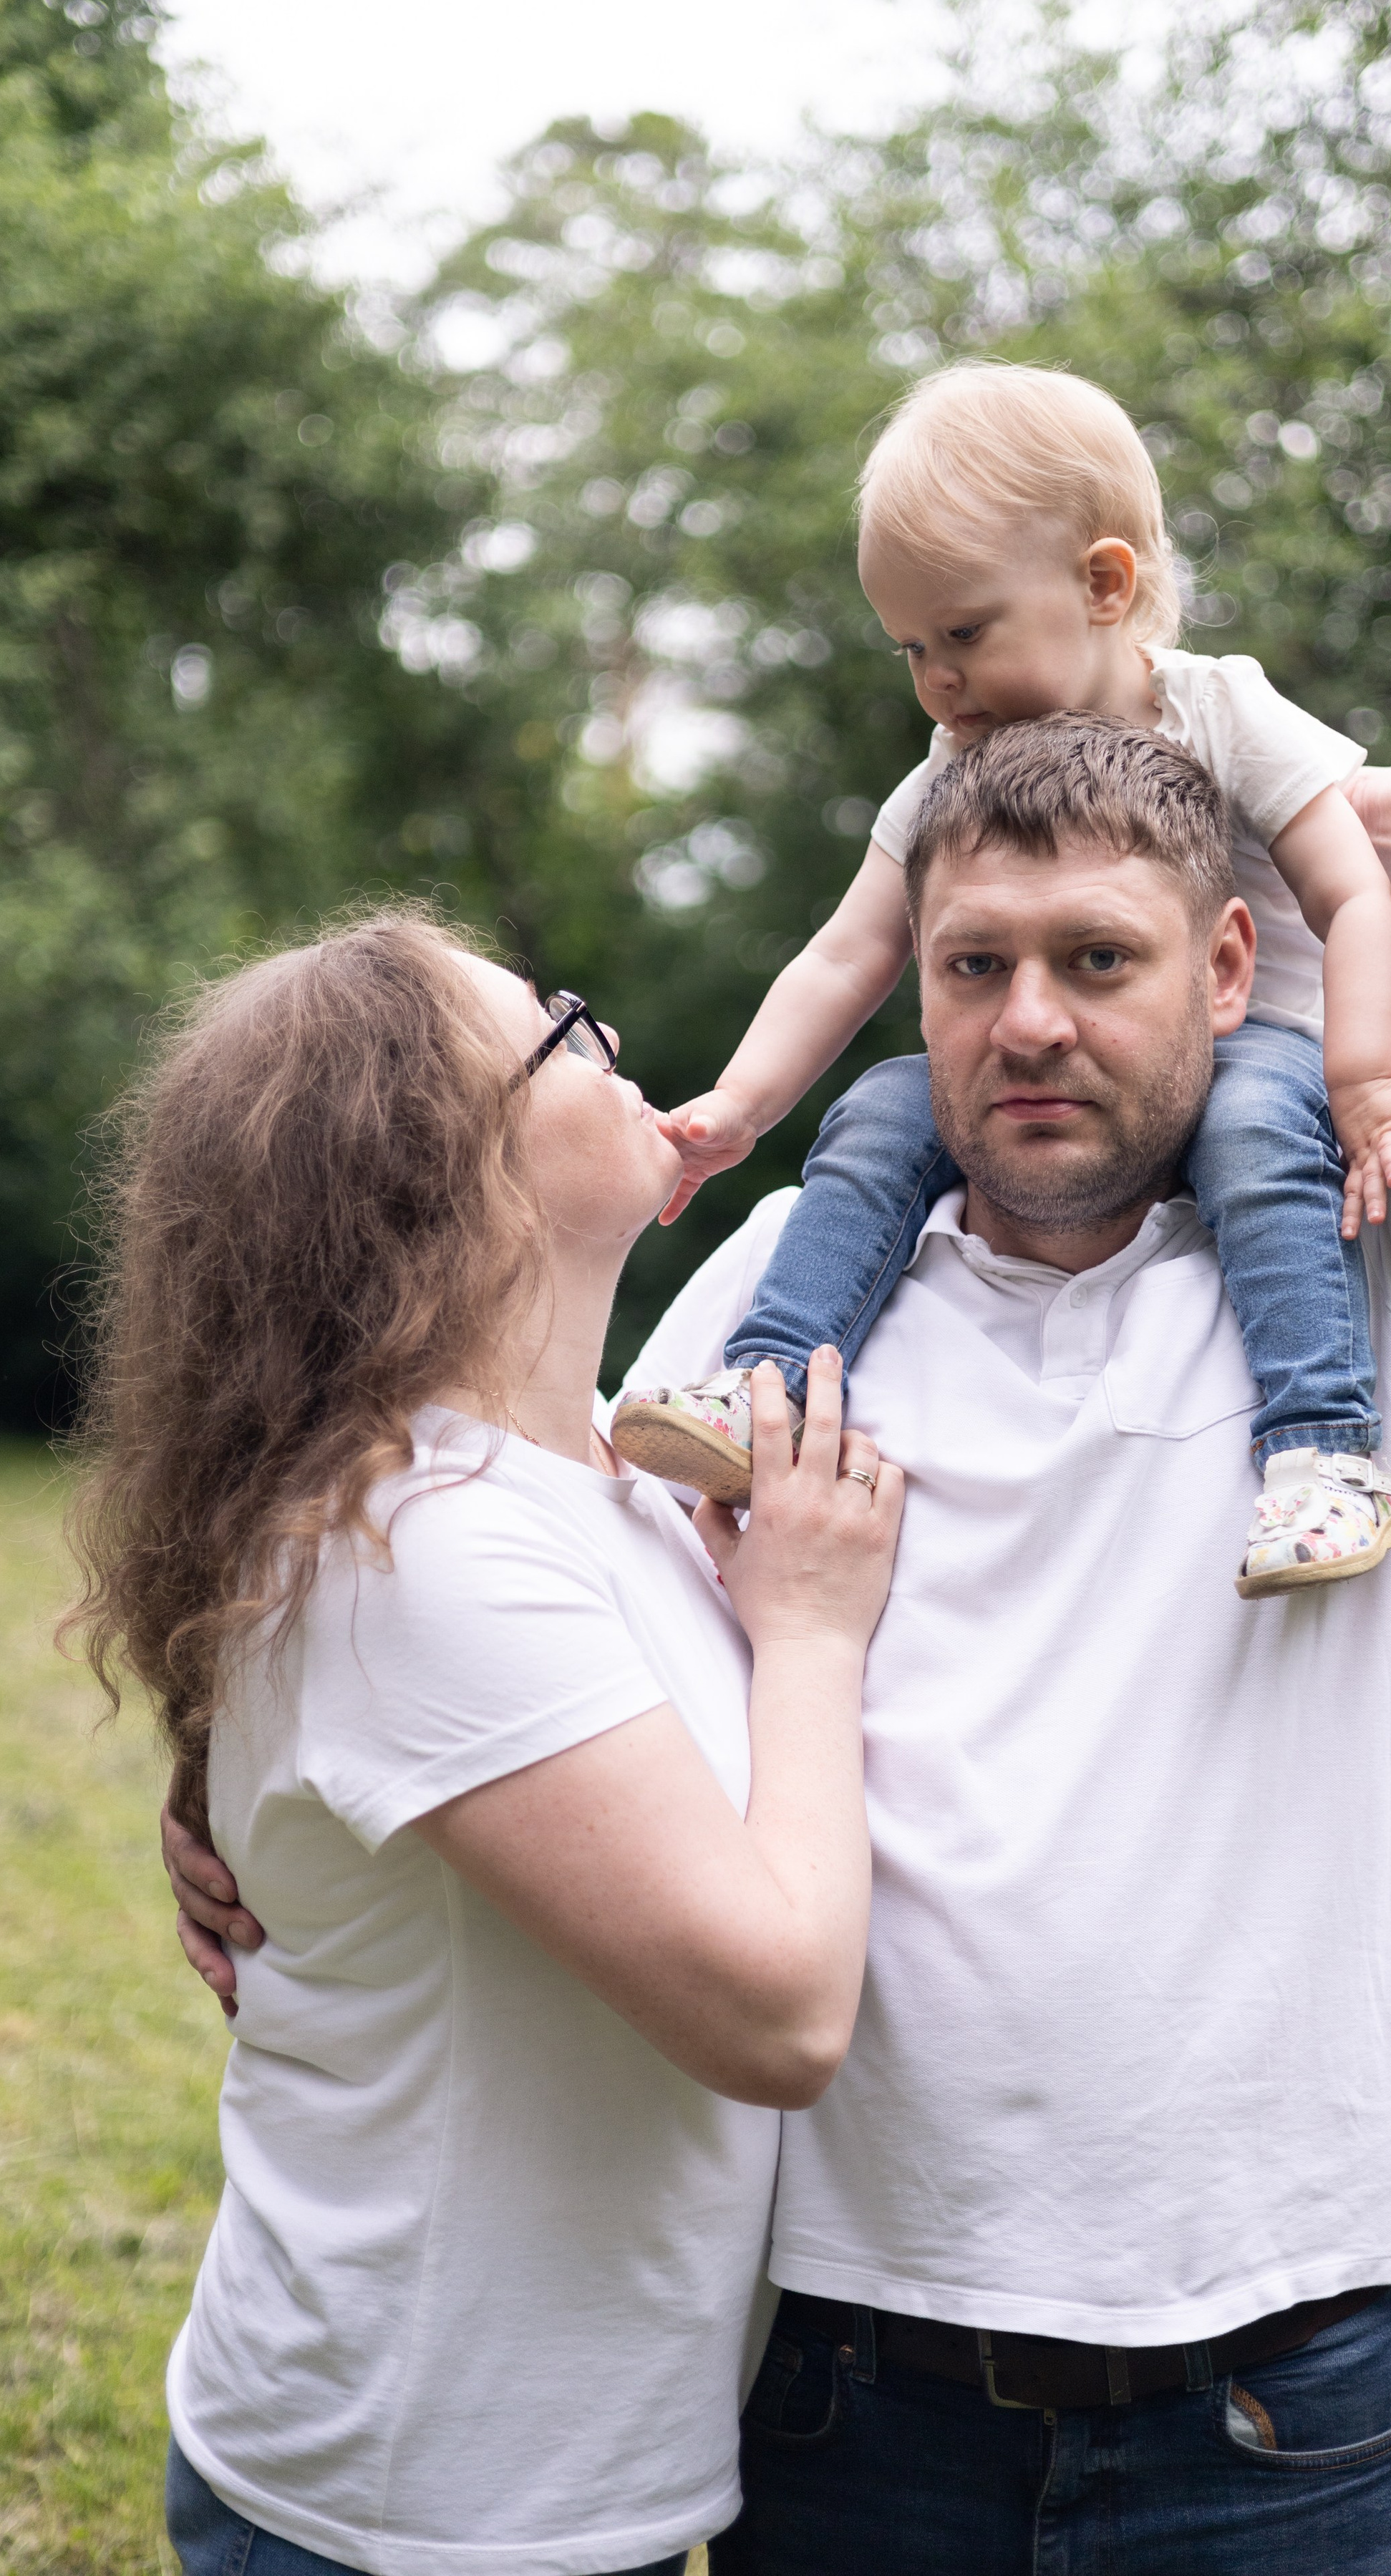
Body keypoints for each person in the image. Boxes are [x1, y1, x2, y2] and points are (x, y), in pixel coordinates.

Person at [170, 732, 1391, 2572]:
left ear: (1228, 965)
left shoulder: (1368, 1263)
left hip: (1274, 2396)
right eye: (973, 964)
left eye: (1101, 956)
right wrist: (237, 1781)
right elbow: (501, 1577)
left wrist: (1265, 785)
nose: (1030, 1023)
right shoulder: (786, 1283)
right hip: (842, 2394)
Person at [62, 911, 903, 2576]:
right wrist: (811, 1633)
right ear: (440, 1166)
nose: (609, 1039)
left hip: (531, 2484)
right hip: (414, 2508)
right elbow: (779, 2015)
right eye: (558, 1027)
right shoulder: (419, 1547)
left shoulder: (587, 1470)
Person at [612, 361, 1391, 1594]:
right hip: (1062, 1078)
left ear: (1104, 586)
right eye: (910, 647)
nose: (936, 681)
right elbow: (848, 950)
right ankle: (765, 1382)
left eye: (964, 634)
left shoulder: (1219, 710)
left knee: (1258, 1128)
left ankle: (1323, 1452)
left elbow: (1355, 894)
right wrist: (740, 1104)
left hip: (1243, 1044)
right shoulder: (952, 769)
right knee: (881, 1110)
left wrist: (1362, 1077)